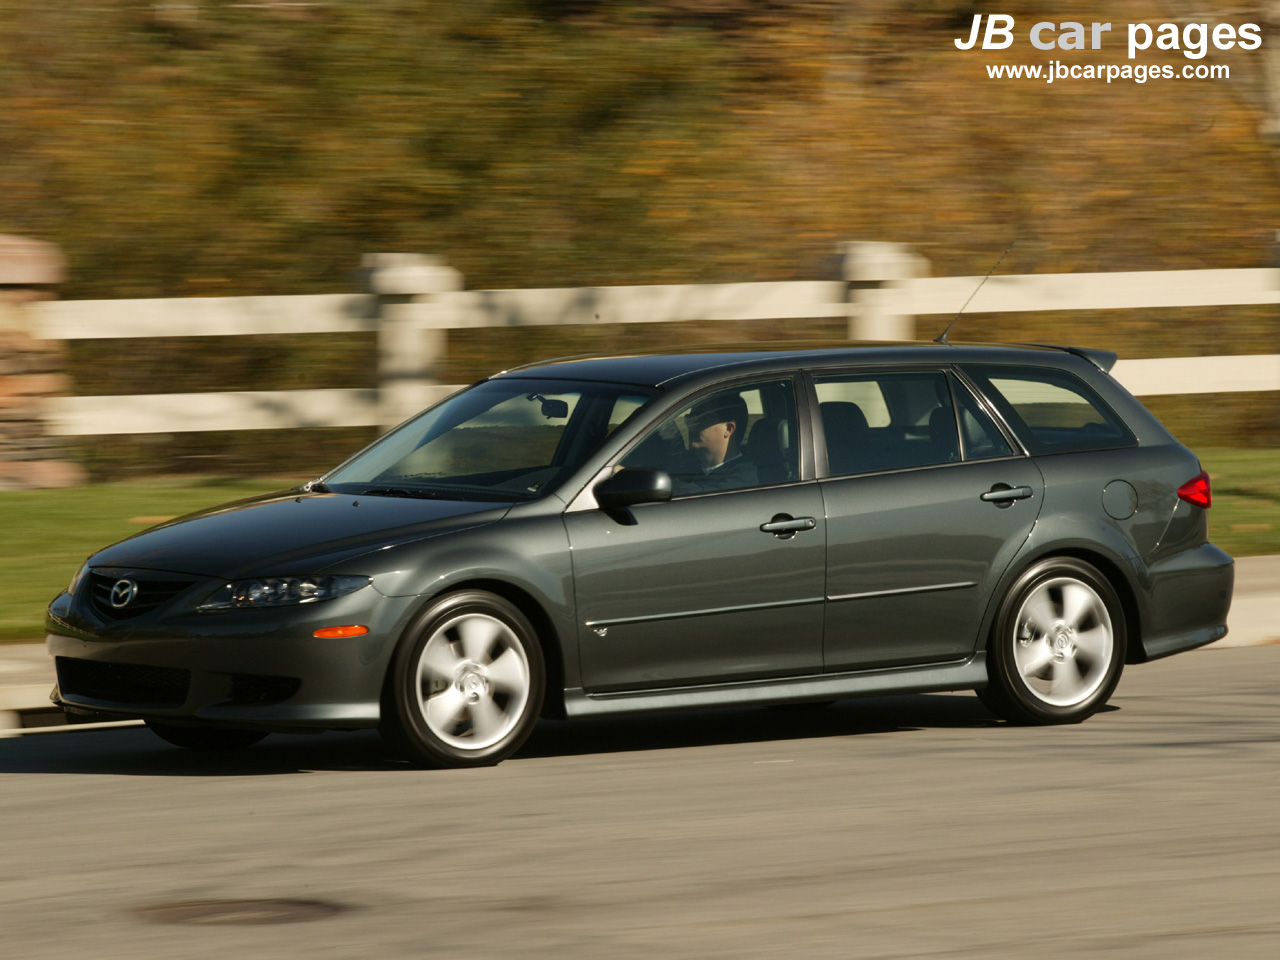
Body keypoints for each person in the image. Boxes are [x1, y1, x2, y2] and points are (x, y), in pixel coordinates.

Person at [670, 392, 758, 495]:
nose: (691, 426)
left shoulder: (744, 478)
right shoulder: (685, 464)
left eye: (701, 419)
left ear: (729, 429)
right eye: (690, 419)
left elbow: (704, 498)